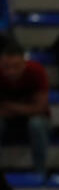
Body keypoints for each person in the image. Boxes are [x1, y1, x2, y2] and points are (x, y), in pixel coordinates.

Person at [0, 42, 51, 179]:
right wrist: (26, 108)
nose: (11, 71)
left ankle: (40, 173)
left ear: (24, 63)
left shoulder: (36, 71)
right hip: (7, 122)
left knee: (37, 124)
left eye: (16, 66)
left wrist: (8, 106)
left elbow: (40, 108)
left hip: (35, 121)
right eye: (6, 67)